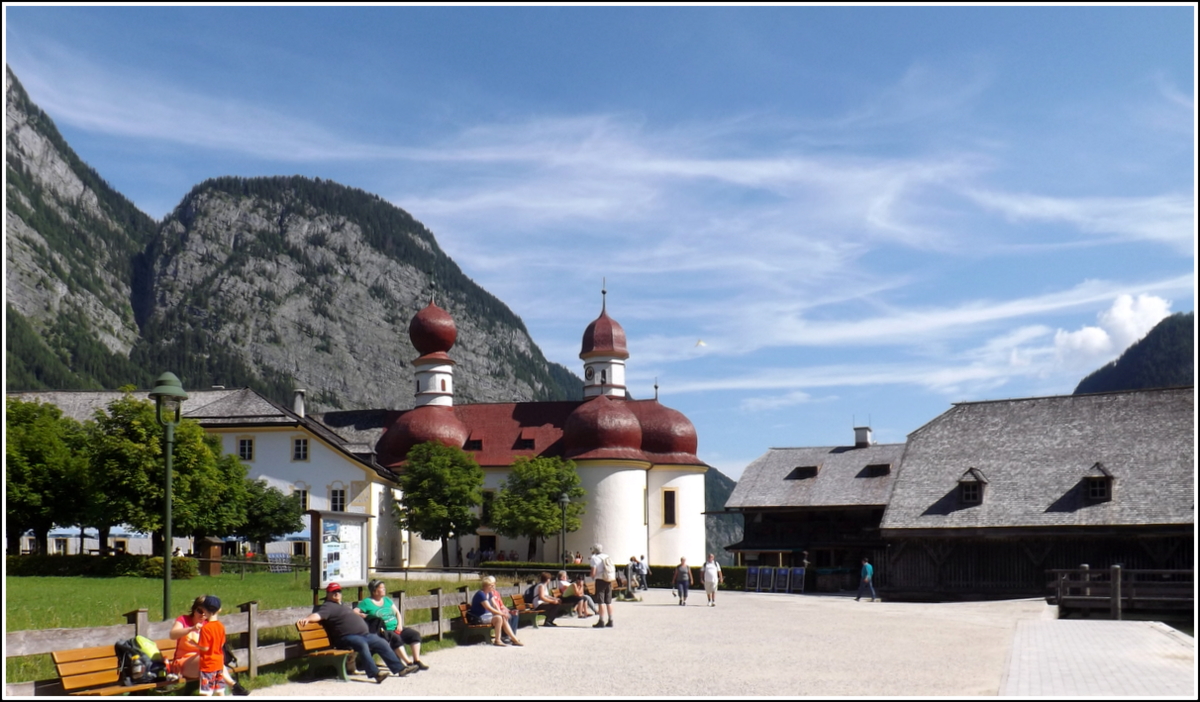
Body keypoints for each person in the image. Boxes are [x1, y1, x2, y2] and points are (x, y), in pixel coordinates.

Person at [297, 582, 416, 683]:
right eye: (333, 591)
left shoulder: (341, 605)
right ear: (328, 594)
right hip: (345, 638)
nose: (337, 593)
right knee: (362, 644)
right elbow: (317, 615)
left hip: (363, 635)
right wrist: (307, 619)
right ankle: (375, 673)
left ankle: (400, 669)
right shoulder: (328, 606)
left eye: (338, 591)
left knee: (381, 642)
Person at [355, 579, 429, 671]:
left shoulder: (387, 600)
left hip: (396, 627)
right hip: (381, 630)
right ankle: (408, 664)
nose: (384, 589)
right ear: (374, 590)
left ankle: (416, 661)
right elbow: (354, 612)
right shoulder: (366, 602)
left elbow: (397, 612)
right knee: (395, 638)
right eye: (382, 588)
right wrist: (361, 614)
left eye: (384, 588)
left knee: (414, 635)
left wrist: (400, 625)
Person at [195, 596, 235, 696]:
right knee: (220, 690)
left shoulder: (206, 628)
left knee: (206, 692)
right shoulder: (221, 626)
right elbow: (221, 644)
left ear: (204, 610)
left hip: (208, 665)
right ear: (219, 610)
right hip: (218, 663)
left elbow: (205, 648)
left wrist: (194, 644)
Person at [470, 576, 523, 646]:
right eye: (492, 585)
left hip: (487, 615)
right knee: (498, 618)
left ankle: (514, 639)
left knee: (502, 617)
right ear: (487, 586)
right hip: (479, 617)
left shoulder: (489, 593)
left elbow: (495, 605)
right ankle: (497, 640)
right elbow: (489, 608)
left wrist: (501, 613)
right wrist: (501, 613)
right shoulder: (481, 594)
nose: (494, 586)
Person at [168, 596, 210, 679]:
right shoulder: (184, 620)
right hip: (182, 662)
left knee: (213, 660)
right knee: (209, 661)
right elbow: (172, 635)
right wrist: (191, 628)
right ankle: (229, 688)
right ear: (194, 610)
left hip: (201, 661)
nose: (202, 615)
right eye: (200, 611)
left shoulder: (208, 624)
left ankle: (230, 687)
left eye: (206, 612)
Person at [589, 543, 616, 628]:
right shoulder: (606, 556)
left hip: (600, 580)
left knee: (600, 601)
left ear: (594, 550)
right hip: (608, 579)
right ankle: (611, 620)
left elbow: (593, 571)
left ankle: (601, 620)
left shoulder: (594, 558)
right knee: (608, 601)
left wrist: (592, 576)